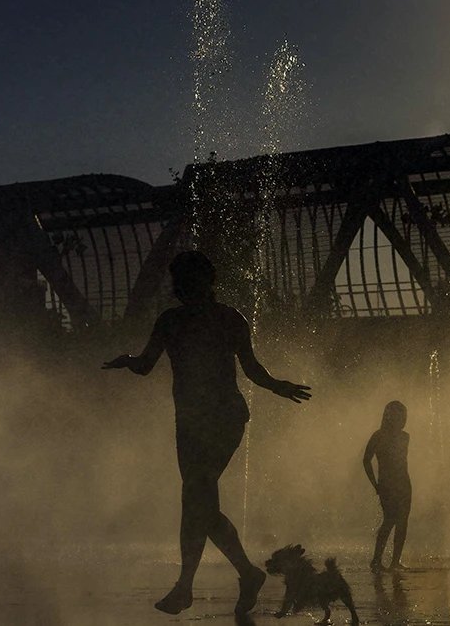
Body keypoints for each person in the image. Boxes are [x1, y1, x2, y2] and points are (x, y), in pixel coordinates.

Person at [103, 250, 311, 615]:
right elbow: (147, 365)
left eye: (187, 279)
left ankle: (186, 587)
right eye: (180, 280)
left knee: (196, 497)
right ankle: (245, 574)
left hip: (223, 419)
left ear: (206, 281)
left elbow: (250, 367)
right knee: (198, 503)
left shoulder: (224, 318)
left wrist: (277, 385)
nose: (182, 286)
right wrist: (128, 362)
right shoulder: (175, 321)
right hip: (190, 422)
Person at [364, 401, 412, 572]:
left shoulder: (405, 436)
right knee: (390, 520)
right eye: (397, 415)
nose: (401, 419)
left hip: (404, 483)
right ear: (388, 417)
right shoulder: (378, 436)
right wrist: (374, 483)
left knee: (403, 522)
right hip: (387, 483)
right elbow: (366, 460)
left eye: (403, 416)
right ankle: (376, 560)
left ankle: (395, 561)